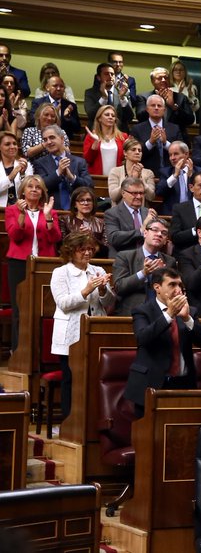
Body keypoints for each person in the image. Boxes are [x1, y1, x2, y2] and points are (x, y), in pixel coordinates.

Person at [123, 268, 201, 417]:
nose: (178, 289)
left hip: (183, 383)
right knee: (148, 435)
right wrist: (169, 314)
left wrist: (187, 319)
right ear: (157, 287)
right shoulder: (143, 310)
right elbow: (142, 338)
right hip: (151, 384)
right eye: (172, 285)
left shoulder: (190, 311)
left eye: (180, 285)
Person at [50, 232, 115, 418]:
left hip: (96, 331)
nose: (87, 253)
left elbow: (109, 301)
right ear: (71, 251)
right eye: (82, 249)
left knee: (96, 378)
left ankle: (93, 419)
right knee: (70, 379)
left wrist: (103, 289)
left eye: (89, 249)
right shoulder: (60, 273)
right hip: (70, 334)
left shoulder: (98, 270)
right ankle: (68, 421)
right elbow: (63, 303)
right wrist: (86, 291)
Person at [6, 175, 60, 349]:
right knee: (19, 309)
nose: (34, 189)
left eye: (38, 187)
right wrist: (22, 215)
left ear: (42, 191)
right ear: (23, 191)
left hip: (45, 264)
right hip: (19, 263)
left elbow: (56, 238)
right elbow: (16, 236)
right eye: (30, 186)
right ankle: (18, 351)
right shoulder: (12, 210)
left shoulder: (50, 211)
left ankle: (41, 353)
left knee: (44, 309)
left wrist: (48, 217)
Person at [111, 217, 176, 316]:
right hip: (132, 312)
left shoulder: (170, 261)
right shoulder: (125, 256)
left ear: (166, 240)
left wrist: (163, 275)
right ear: (145, 233)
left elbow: (174, 290)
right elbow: (119, 287)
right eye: (155, 230)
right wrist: (143, 273)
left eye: (164, 233)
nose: (159, 234)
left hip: (162, 314)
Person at [33, 125, 93, 210]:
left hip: (76, 211)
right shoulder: (40, 163)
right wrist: (58, 172)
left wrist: (72, 178)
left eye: (52, 137)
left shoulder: (79, 162)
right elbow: (41, 186)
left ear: (62, 139)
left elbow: (89, 186)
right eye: (45, 140)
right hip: (52, 211)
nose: (48, 142)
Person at [104, 177, 154, 253]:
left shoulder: (148, 213)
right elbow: (114, 238)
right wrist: (141, 230)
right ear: (123, 193)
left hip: (147, 258)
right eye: (134, 193)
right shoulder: (112, 213)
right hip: (122, 259)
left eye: (141, 193)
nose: (139, 197)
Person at [58, 187, 107, 258]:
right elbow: (62, 246)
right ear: (75, 204)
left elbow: (106, 250)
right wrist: (77, 236)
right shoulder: (64, 220)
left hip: (96, 261)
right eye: (81, 200)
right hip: (72, 260)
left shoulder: (102, 223)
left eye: (89, 200)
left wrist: (92, 237)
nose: (86, 203)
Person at [107, 137, 156, 203]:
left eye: (139, 150)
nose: (137, 152)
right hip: (119, 212)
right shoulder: (115, 172)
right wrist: (129, 178)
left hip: (140, 211)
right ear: (125, 152)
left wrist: (141, 180)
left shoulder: (148, 173)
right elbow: (114, 197)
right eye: (133, 150)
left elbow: (151, 197)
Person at [82, 104, 126, 177]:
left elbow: (125, 158)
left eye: (113, 115)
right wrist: (95, 143)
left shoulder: (123, 137)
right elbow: (88, 160)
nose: (110, 117)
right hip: (97, 178)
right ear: (99, 119)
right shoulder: (91, 137)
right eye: (107, 115)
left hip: (117, 179)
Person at [0, 131, 29, 208]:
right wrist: (10, 177)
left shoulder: (25, 164)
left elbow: (29, 190)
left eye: (14, 143)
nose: (12, 147)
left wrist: (23, 174)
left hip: (20, 210)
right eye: (7, 144)